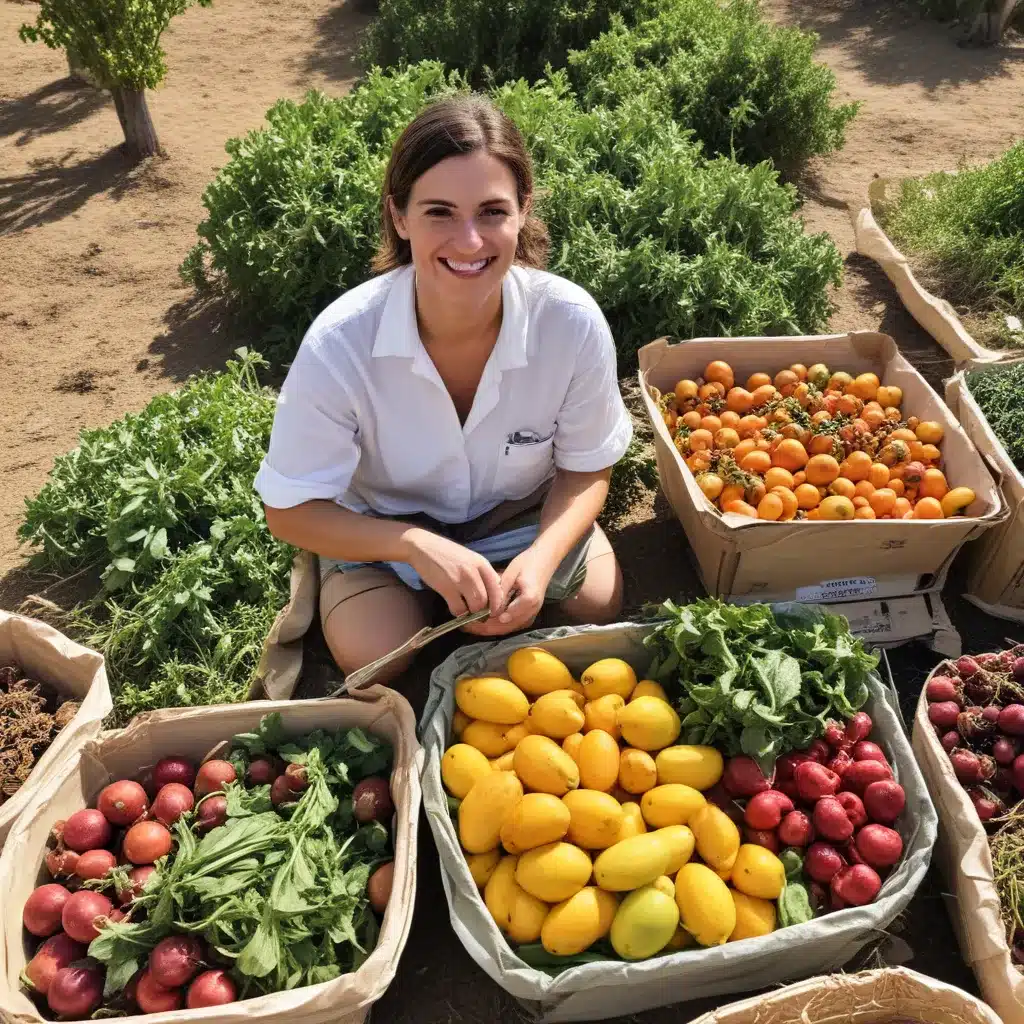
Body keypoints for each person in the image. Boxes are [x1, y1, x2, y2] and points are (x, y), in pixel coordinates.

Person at [255, 94, 633, 684]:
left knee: (597, 603)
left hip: (517, 516)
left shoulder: (569, 321)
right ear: (399, 217)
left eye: (491, 211)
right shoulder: (341, 343)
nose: (469, 241)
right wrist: (411, 545)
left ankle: (505, 584)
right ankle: (403, 595)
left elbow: (586, 469)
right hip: (383, 528)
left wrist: (541, 558)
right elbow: (288, 510)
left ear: (523, 212)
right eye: (438, 212)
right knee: (374, 653)